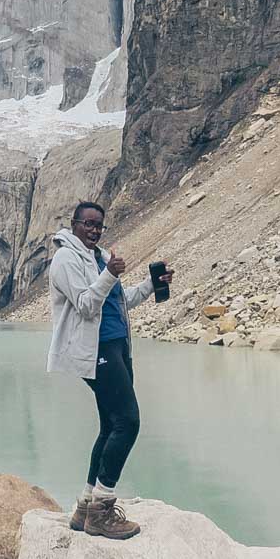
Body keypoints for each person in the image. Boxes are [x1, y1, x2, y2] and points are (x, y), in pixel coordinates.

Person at [47, 200, 173, 540]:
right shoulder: (64, 259)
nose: (94, 230)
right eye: (88, 223)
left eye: (99, 225)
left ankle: (86, 507)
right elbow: (87, 304)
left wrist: (151, 284)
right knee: (128, 422)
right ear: (73, 224)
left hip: (117, 347)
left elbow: (119, 300)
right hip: (95, 352)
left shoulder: (98, 256)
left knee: (110, 426)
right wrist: (110, 274)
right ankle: (103, 511)